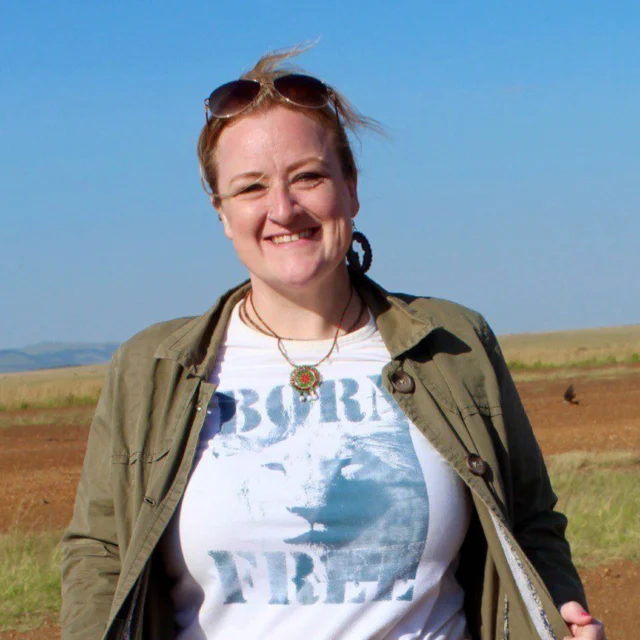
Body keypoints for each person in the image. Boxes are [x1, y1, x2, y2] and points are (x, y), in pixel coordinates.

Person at [60, 44, 606, 640]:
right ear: (220, 212)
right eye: (249, 188)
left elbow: (529, 525)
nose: (283, 209)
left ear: (351, 187)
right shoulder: (153, 368)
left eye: (309, 177)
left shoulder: (452, 345)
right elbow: (100, 551)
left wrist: (560, 620)